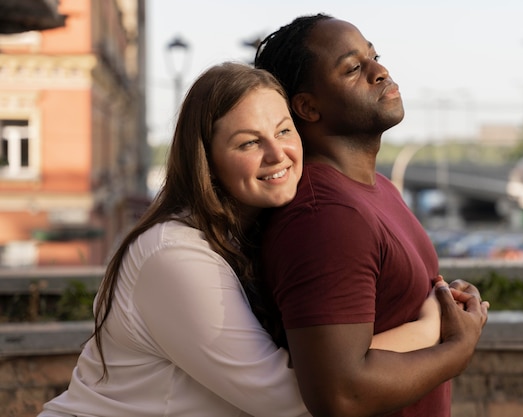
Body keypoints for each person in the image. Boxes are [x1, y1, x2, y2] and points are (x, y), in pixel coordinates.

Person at [38, 62, 447, 417]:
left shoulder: (253, 235)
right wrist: (431, 329)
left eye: (284, 130)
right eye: (249, 142)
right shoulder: (174, 254)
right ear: (207, 160)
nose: (277, 153)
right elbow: (290, 397)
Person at [255, 14, 490, 417]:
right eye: (353, 68)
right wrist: (457, 348)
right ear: (307, 107)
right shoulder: (325, 216)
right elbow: (340, 393)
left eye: (375, 56)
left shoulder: (379, 190)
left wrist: (445, 304)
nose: (380, 71)